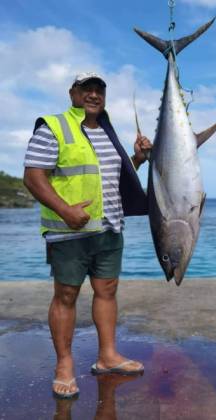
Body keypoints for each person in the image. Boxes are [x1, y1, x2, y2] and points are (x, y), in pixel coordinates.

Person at [23, 72, 152, 399]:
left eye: (99, 90)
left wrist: (136, 159)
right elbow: (33, 177)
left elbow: (110, 179)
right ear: (73, 93)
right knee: (66, 295)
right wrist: (66, 210)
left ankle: (107, 356)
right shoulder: (52, 126)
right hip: (69, 232)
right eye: (86, 89)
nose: (94, 94)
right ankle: (64, 365)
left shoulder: (108, 133)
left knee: (107, 290)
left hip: (109, 228)